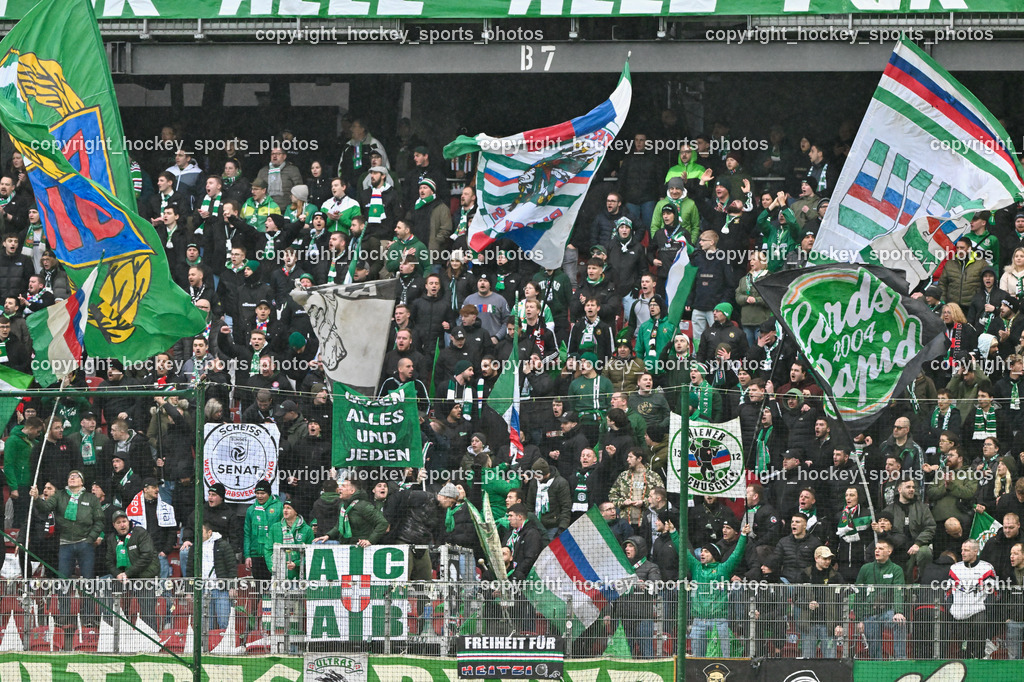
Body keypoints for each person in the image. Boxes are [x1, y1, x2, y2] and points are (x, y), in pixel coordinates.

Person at [686, 523, 750, 657]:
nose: (702, 554)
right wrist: (673, 532)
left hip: (719, 621)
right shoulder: (696, 568)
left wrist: (743, 535)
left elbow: (736, 554)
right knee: (697, 660)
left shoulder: (723, 569)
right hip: (698, 621)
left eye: (706, 551)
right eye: (702, 551)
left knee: (724, 658)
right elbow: (682, 551)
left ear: (714, 555)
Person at [29, 471, 103, 579]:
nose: (72, 478)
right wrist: (36, 498)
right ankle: (63, 596)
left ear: (82, 482)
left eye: (75, 476)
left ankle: (88, 596)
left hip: (85, 543)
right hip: (65, 543)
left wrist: (91, 538)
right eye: (70, 476)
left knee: (88, 579)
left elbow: (100, 521)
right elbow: (45, 508)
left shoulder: (91, 498)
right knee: (63, 580)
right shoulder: (59, 495)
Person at [104, 509, 160, 632]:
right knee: (103, 587)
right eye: (118, 523)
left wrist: (127, 573)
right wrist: (117, 574)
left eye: (124, 521)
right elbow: (108, 561)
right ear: (114, 525)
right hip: (124, 578)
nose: (122, 525)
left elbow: (147, 555)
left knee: (147, 611)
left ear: (129, 522)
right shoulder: (112, 539)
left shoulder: (140, 533)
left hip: (144, 577)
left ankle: (152, 637)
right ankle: (110, 628)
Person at [854, 538, 908, 660]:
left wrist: (898, 612)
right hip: (869, 613)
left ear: (889, 552)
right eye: (876, 549)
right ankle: (877, 664)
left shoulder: (896, 569)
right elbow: (859, 594)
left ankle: (900, 658)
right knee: (874, 650)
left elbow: (898, 591)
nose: (877, 551)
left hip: (887, 611)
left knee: (899, 623)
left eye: (881, 549)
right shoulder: (865, 569)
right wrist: (859, 619)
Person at [948, 538, 997, 659]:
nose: (962, 553)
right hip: (957, 614)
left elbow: (993, 594)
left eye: (966, 550)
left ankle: (980, 657)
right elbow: (948, 593)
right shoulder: (955, 568)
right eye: (962, 550)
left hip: (978, 612)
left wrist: (986, 610)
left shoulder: (987, 568)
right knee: (961, 651)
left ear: (976, 551)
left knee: (979, 627)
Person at [796, 546, 846, 658]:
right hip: (809, 623)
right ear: (816, 558)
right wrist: (807, 604)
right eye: (824, 558)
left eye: (829, 559)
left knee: (830, 658)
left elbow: (841, 603)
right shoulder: (804, 575)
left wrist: (839, 624)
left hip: (828, 624)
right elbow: (796, 598)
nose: (828, 561)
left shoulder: (836, 577)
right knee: (807, 658)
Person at [188, 522, 236, 630]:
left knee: (224, 622)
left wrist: (232, 586)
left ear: (209, 532)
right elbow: (190, 569)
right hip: (202, 589)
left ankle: (225, 646)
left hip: (221, 589)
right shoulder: (195, 547)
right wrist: (189, 590)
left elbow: (231, 566)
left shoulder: (223, 545)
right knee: (205, 625)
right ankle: (206, 647)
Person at [314, 478, 388, 547]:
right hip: (345, 544)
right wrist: (328, 536)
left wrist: (370, 541)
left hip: (360, 547)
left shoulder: (364, 506)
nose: (340, 488)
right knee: (316, 543)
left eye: (343, 486)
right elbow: (339, 525)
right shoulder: (342, 505)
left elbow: (383, 523)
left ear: (352, 491)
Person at [244, 480, 284, 582]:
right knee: (259, 587)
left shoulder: (279, 507)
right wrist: (247, 555)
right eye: (257, 493)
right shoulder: (251, 510)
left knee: (275, 585)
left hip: (274, 553)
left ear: (269, 494)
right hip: (256, 554)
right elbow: (247, 534)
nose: (259, 496)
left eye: (263, 493)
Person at [265, 499, 314, 579]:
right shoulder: (275, 528)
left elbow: (311, 554)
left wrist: (297, 563)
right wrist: (272, 567)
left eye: (289, 508)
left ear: (296, 512)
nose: (285, 510)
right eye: (284, 508)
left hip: (300, 576)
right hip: (279, 575)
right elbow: (268, 549)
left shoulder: (307, 530)